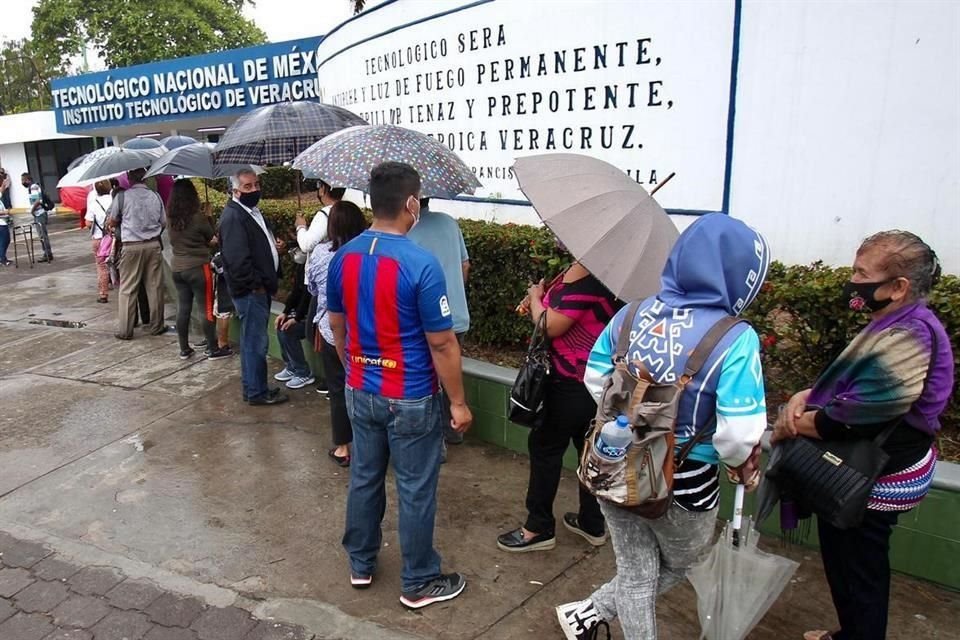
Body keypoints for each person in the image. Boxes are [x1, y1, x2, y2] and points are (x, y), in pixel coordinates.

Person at [555, 213, 770, 640]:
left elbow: (595, 378)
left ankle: (588, 613)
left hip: (613, 464)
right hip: (686, 480)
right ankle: (590, 610)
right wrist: (738, 462)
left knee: (636, 573)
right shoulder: (734, 337)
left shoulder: (631, 314)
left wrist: (632, 422)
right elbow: (738, 435)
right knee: (684, 563)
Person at [772, 231, 953, 640]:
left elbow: (854, 418)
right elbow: (846, 388)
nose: (852, 282)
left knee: (860, 571)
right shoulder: (892, 322)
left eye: (861, 273)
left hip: (879, 475)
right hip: (867, 466)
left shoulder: (910, 336)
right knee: (845, 563)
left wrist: (791, 422)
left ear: (897, 287)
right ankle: (849, 632)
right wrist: (806, 396)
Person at [327, 162, 472, 609]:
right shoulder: (420, 263)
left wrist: (355, 370)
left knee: (365, 477)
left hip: (360, 390)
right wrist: (459, 403)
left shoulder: (343, 256)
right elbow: (443, 343)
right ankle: (419, 581)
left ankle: (361, 563)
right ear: (412, 203)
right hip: (409, 395)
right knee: (414, 487)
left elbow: (337, 325)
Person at [496, 258, 621, 554]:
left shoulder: (594, 280)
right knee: (586, 451)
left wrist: (538, 299)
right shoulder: (583, 270)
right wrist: (540, 294)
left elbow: (549, 324)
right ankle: (592, 523)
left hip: (572, 381)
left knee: (546, 450)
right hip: (588, 381)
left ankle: (537, 528)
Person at [306, 200, 368, 467]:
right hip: (366, 335)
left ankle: (343, 448)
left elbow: (311, 288)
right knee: (367, 390)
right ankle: (369, 446)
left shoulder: (320, 254)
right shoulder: (368, 253)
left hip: (332, 335)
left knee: (338, 390)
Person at [219, 168, 288, 406]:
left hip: (259, 289)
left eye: (256, 184)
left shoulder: (251, 211)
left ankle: (255, 388)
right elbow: (237, 261)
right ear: (235, 191)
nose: (255, 190)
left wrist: (274, 246)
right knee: (255, 344)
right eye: (248, 187)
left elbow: (258, 244)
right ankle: (256, 392)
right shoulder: (233, 217)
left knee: (255, 342)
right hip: (251, 293)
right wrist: (256, 287)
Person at [408, 198, 472, 449]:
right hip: (457, 315)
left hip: (429, 321)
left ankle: (437, 445)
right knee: (451, 375)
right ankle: (454, 432)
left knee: (430, 383)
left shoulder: (407, 233)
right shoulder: (449, 223)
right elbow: (464, 265)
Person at [166, 179, 232, 361]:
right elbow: (213, 239)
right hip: (198, 268)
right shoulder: (197, 217)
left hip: (177, 268)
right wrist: (209, 216)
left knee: (183, 308)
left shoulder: (170, 218)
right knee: (206, 308)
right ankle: (213, 348)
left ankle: (184, 349)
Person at [107, 168, 166, 339]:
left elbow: (112, 220)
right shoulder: (156, 196)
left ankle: (125, 330)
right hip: (153, 244)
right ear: (146, 179)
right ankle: (156, 326)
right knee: (154, 287)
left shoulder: (122, 196)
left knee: (128, 288)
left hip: (131, 246)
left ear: (129, 179)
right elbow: (163, 222)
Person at [273, 247, 316, 389]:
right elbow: (296, 292)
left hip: (313, 316)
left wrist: (296, 318)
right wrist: (285, 312)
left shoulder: (315, 265)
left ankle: (303, 373)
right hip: (302, 313)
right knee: (281, 325)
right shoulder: (301, 266)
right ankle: (291, 366)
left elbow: (308, 295)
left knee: (288, 330)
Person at [295, 179, 344, 253]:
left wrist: (301, 226)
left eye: (319, 186)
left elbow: (306, 245)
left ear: (323, 189)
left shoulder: (325, 214)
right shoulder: (348, 210)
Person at [85, 180, 113, 303]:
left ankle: (103, 294)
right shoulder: (115, 201)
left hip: (98, 239)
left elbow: (88, 223)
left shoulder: (93, 204)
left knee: (101, 267)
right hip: (113, 238)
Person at [22, 173, 54, 262]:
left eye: (23, 180)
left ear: (28, 180)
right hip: (38, 213)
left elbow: (37, 201)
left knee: (42, 235)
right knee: (42, 235)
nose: (22, 182)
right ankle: (47, 253)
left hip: (39, 213)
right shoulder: (33, 187)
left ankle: (47, 254)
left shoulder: (33, 187)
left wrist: (32, 210)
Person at [0, 197, 11, 266]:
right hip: (1, 223)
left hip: (4, 222)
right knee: (4, 241)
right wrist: (5, 212)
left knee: (6, 241)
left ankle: (3, 257)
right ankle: (2, 258)